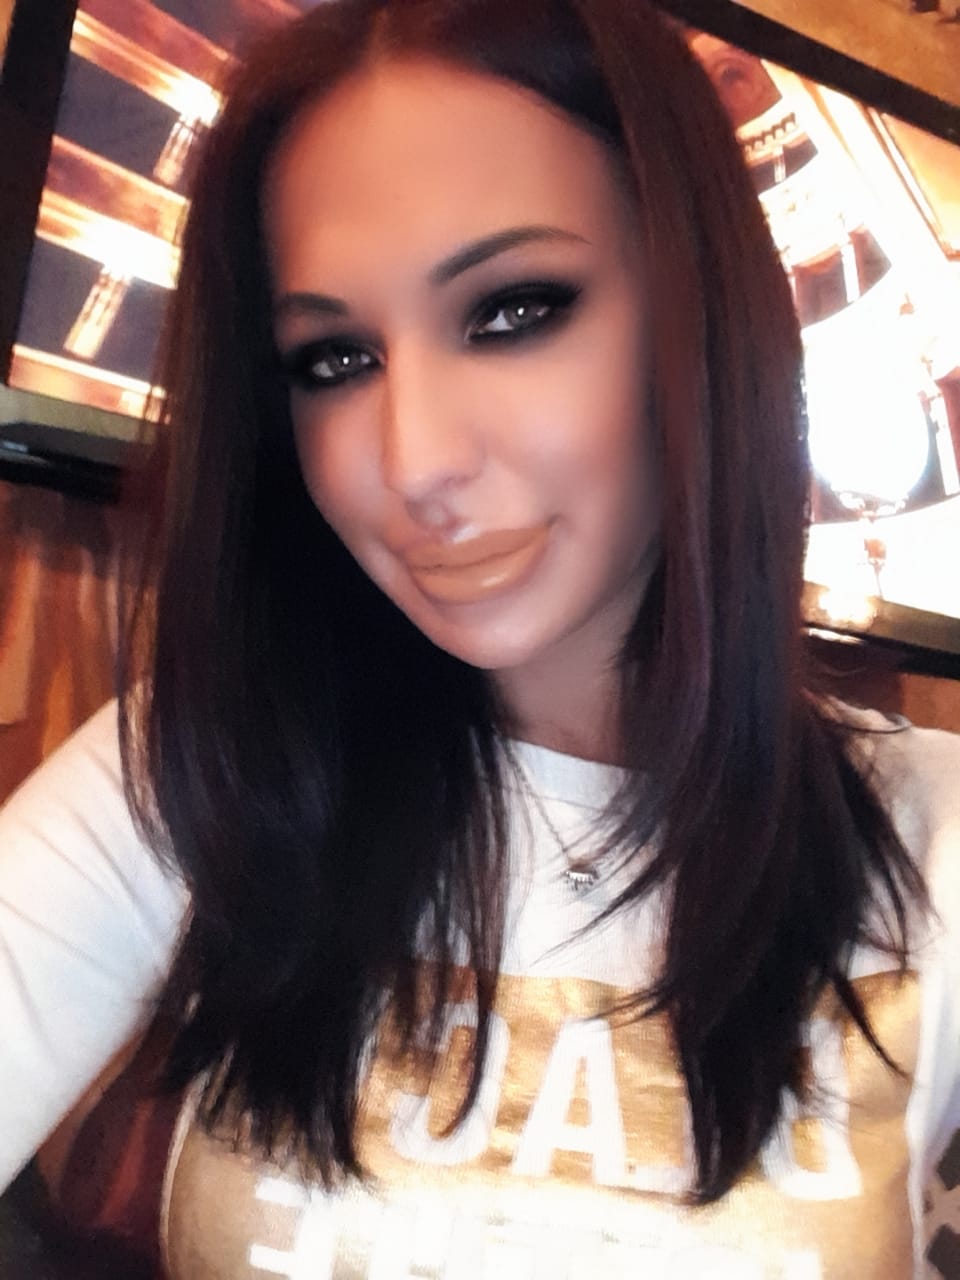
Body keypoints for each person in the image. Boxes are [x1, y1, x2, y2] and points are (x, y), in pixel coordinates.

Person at [1, 0, 958, 1274]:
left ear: (697, 308)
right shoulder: (206, 772)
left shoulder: (932, 831)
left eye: (512, 311)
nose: (414, 461)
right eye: (334, 358)